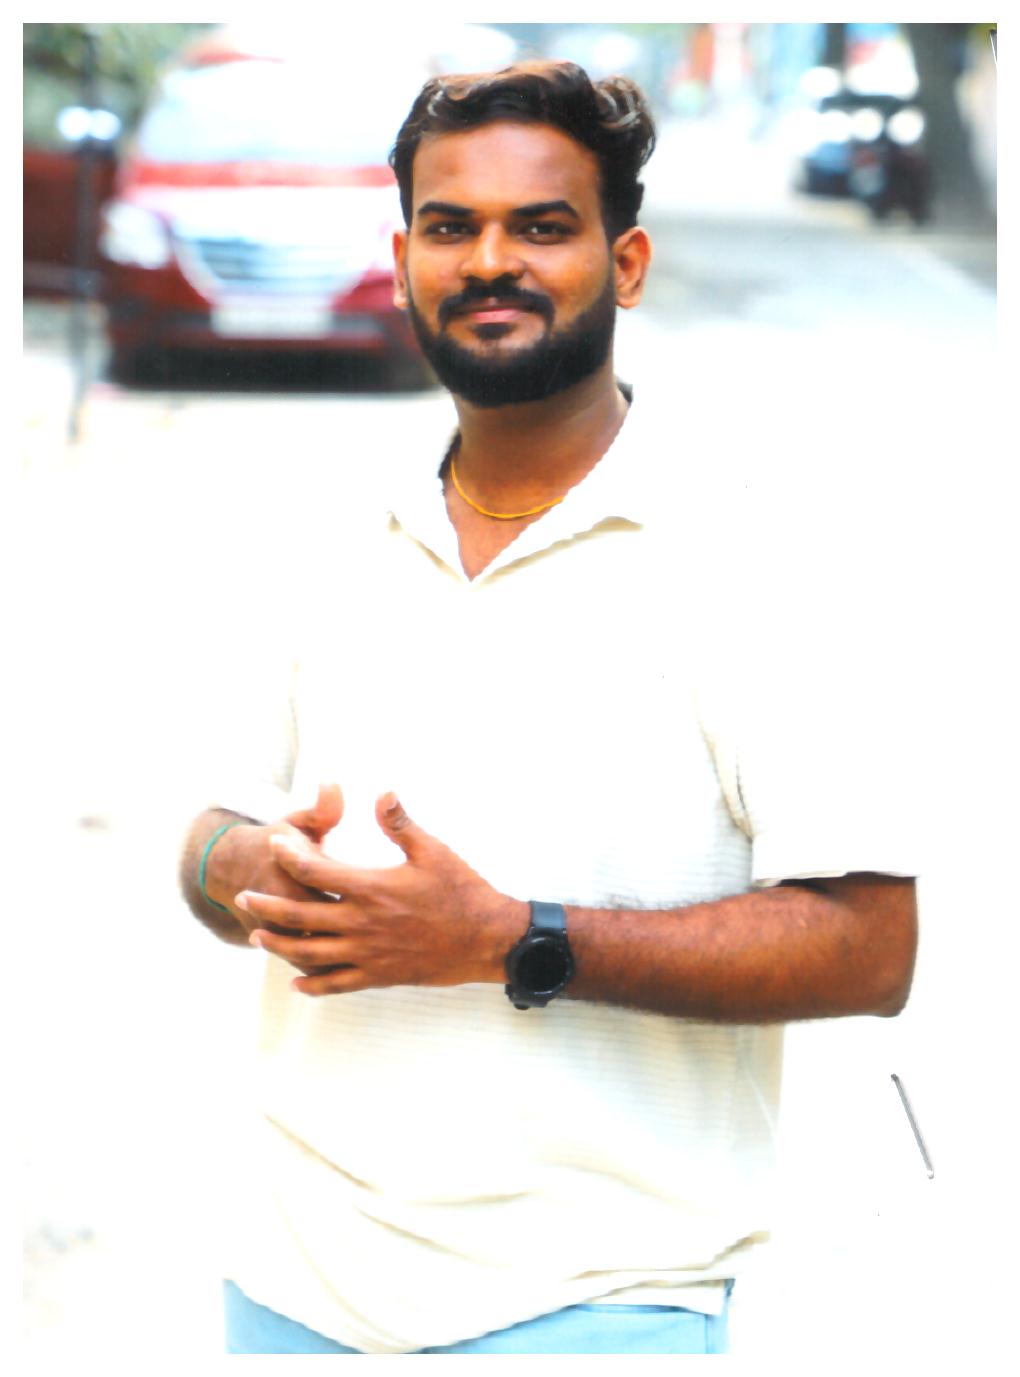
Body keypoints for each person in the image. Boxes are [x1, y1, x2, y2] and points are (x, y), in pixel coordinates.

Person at [178, 60, 918, 1355]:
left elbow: (870, 946)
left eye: (541, 226)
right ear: (402, 261)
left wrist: (515, 939)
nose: (490, 263)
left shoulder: (757, 550)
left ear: (625, 263)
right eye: (451, 227)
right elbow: (206, 837)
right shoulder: (322, 522)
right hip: (287, 1287)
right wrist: (239, 868)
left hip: (594, 1304)